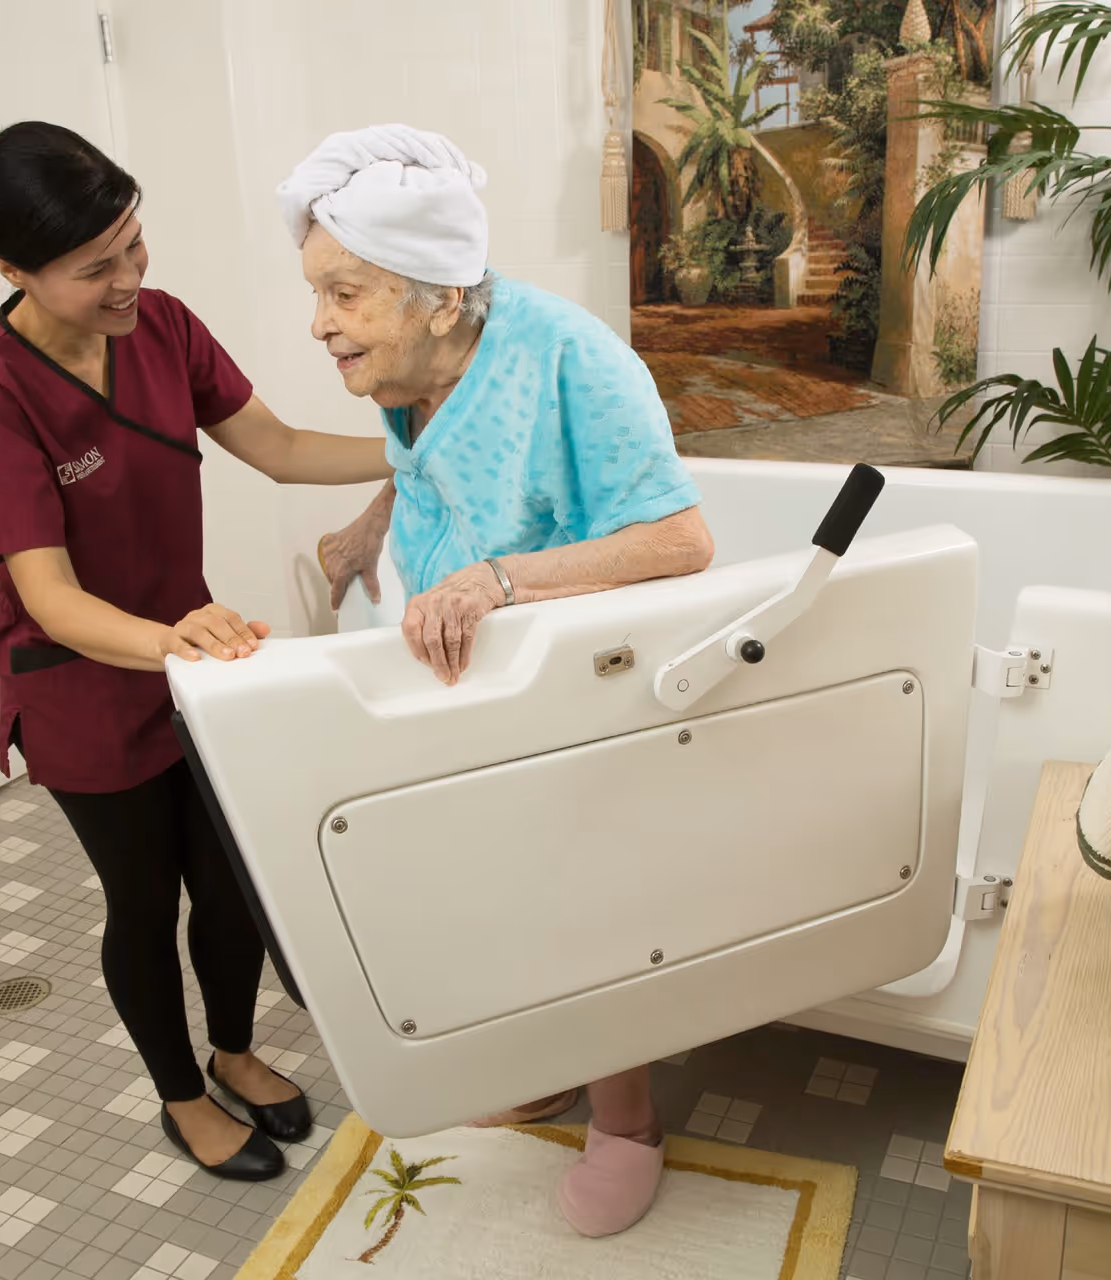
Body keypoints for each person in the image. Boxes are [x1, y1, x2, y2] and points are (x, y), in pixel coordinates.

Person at [281, 124, 715, 1237]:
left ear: (437, 294)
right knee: (496, 885)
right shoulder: (415, 358)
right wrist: (365, 526)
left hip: (575, 670)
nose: (319, 321)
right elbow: (427, 466)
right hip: (462, 659)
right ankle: (546, 1058)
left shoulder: (574, 360)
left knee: (586, 901)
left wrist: (496, 582)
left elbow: (680, 539)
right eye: (318, 290)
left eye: (344, 292)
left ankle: (626, 1121)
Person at [0, 121, 392, 1181]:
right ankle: (183, 1095)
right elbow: (48, 599)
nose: (128, 279)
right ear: (10, 268)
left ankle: (236, 1049)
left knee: (231, 881)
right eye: (93, 266)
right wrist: (173, 636)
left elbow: (275, 446)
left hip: (189, 662)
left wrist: (421, 445)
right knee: (145, 900)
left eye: (133, 245)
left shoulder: (164, 327)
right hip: (81, 687)